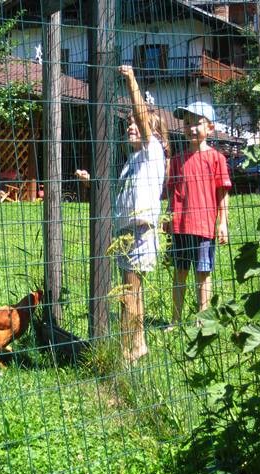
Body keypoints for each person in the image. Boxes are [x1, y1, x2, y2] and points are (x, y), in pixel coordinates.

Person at [76, 65, 169, 362]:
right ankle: (137, 344)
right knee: (131, 292)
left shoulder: (153, 151)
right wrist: (92, 182)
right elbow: (120, 198)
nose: (130, 125)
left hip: (139, 231)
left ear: (153, 132)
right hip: (125, 232)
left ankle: (130, 349)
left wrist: (131, 81)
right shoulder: (133, 161)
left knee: (129, 293)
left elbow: (143, 118)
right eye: (127, 122)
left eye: (135, 123)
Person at [166, 101, 231, 325]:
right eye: (187, 123)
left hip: (204, 227)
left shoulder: (217, 158)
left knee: (203, 273)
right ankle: (175, 320)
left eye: (197, 122)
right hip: (180, 225)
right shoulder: (176, 160)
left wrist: (222, 223)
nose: (191, 127)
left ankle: (202, 319)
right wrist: (167, 216)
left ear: (210, 128)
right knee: (180, 272)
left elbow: (223, 193)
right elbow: (172, 191)